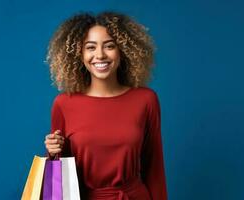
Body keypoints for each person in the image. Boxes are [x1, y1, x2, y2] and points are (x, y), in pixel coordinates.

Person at [43, 12, 167, 200]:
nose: (100, 55)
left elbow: (154, 167)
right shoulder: (64, 104)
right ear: (80, 54)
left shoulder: (146, 100)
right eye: (90, 47)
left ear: (123, 50)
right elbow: (60, 180)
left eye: (109, 46)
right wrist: (52, 152)